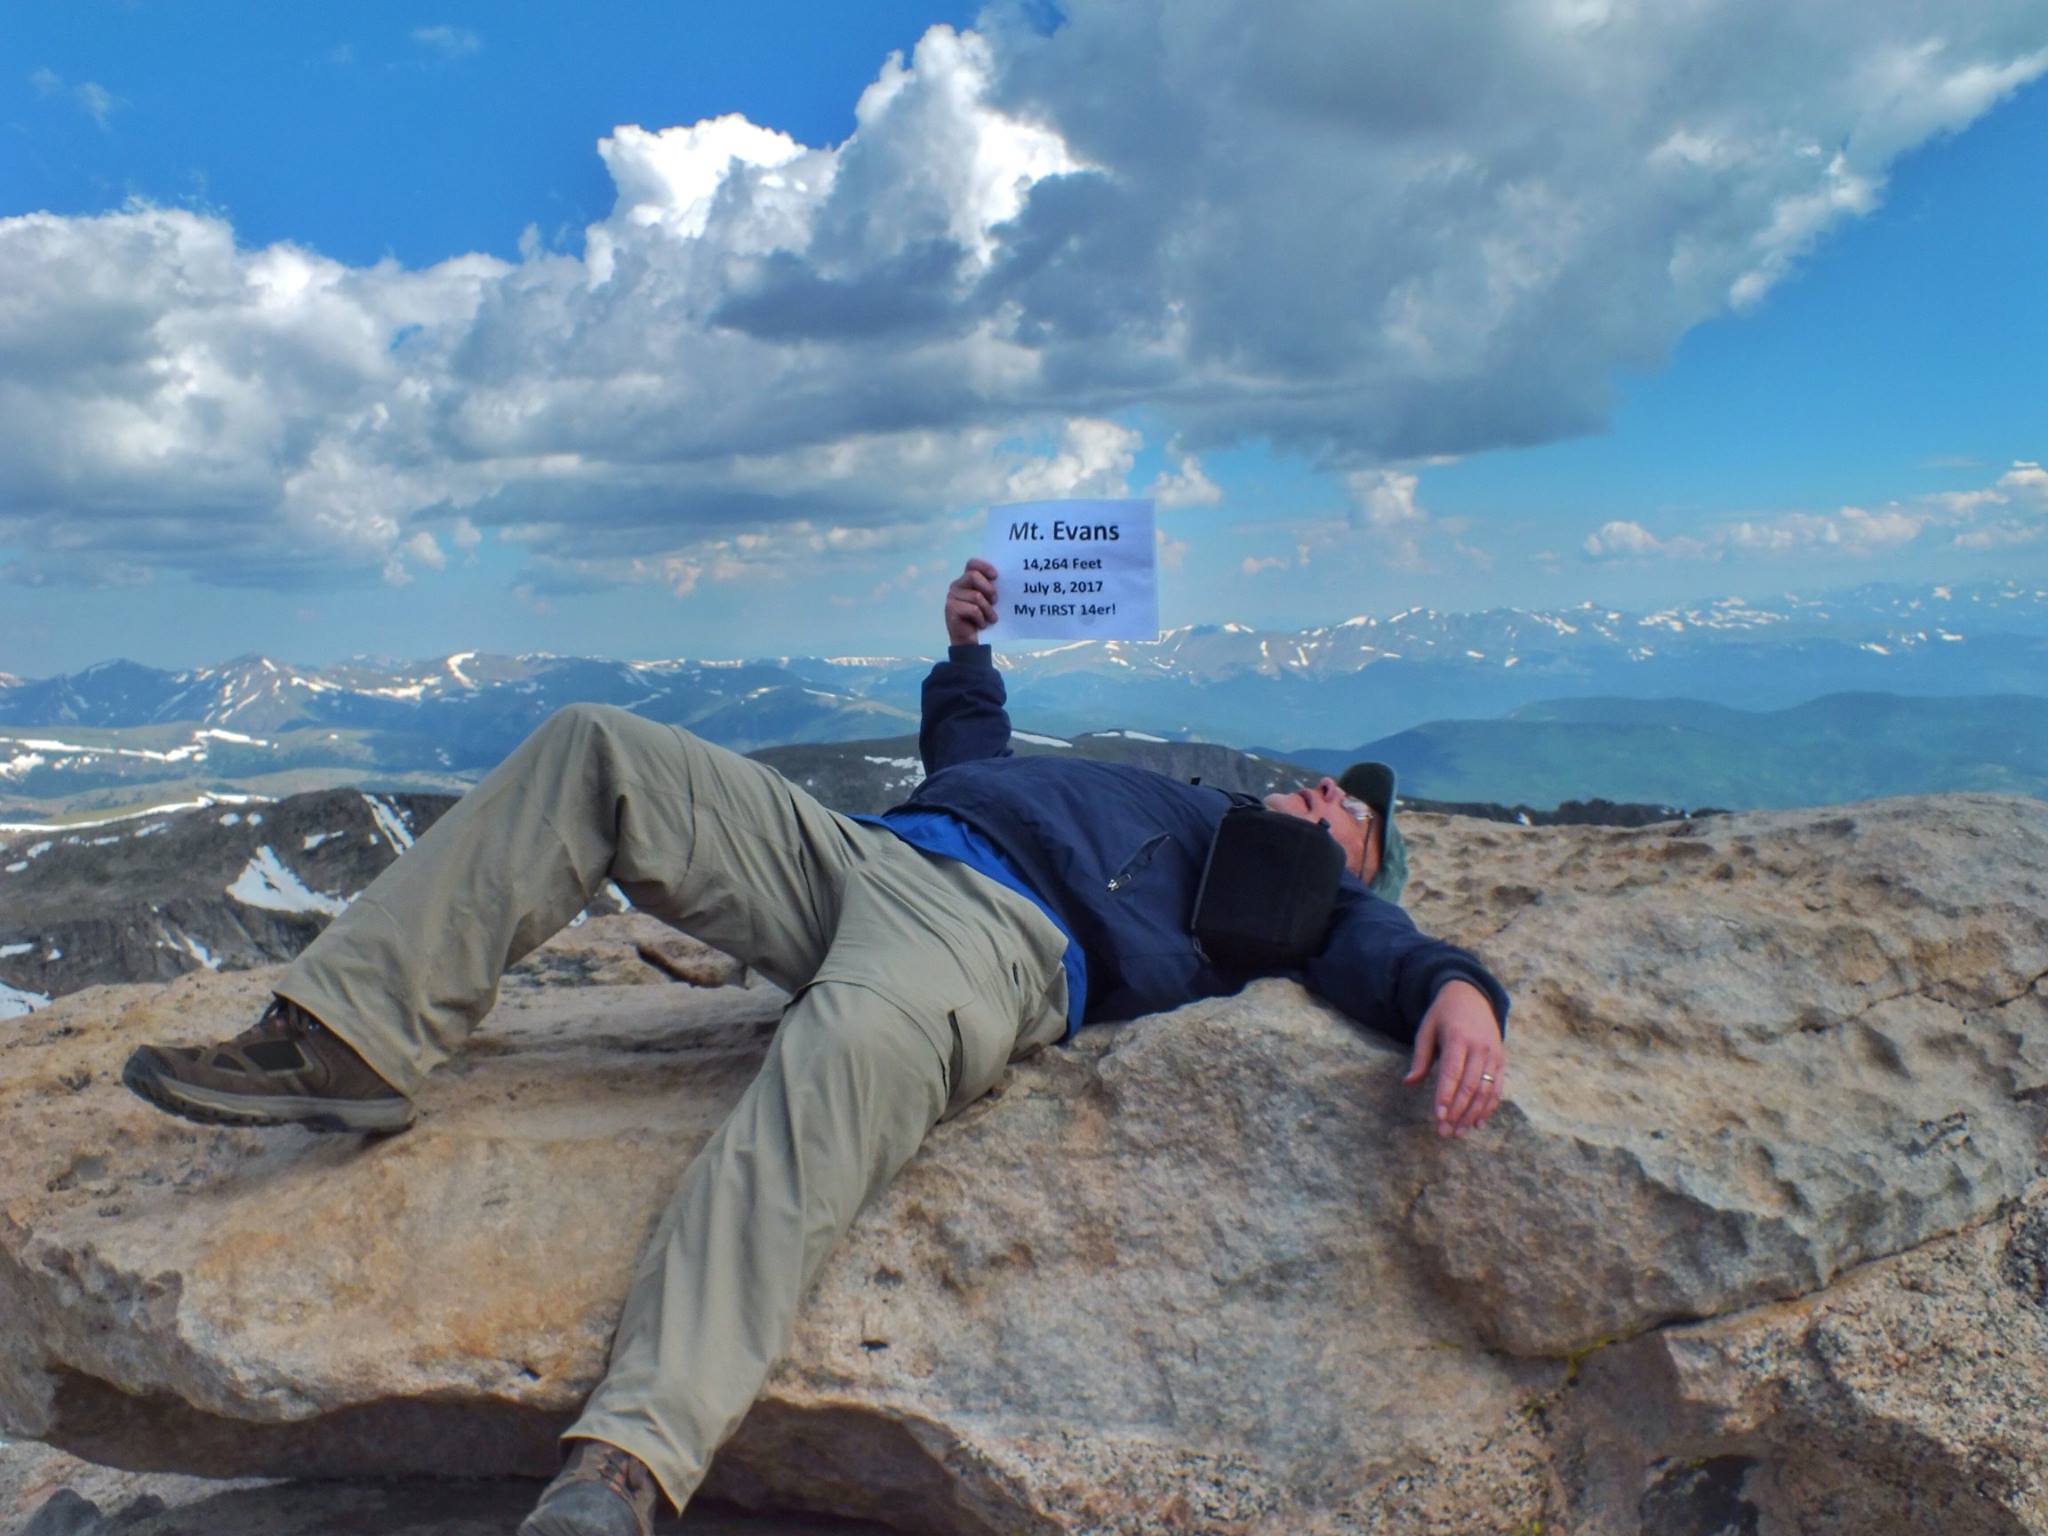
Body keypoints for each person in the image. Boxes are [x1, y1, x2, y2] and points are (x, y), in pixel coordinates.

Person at [121, 558, 1510, 1536]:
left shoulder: (1291, 895)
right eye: (1336, 783)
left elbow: (1383, 956)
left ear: (1354, 872)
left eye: (1356, 817)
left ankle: (622, 1467)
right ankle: (350, 1038)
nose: (1337, 791)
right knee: (596, 745)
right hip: (863, 852)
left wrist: (1459, 993)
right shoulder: (1170, 790)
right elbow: (978, 754)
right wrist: (967, 647)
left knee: (813, 1105)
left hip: (988, 942)